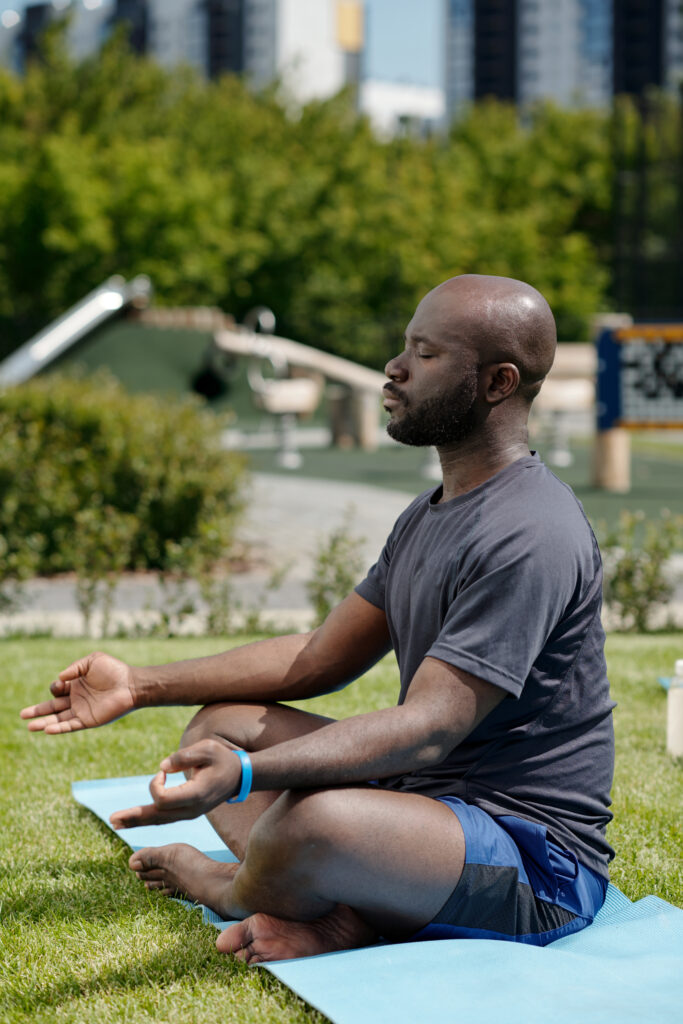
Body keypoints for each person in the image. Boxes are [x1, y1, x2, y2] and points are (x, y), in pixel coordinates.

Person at [21, 274, 615, 965]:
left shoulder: (529, 531)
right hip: (424, 809)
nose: (392, 370)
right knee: (225, 723)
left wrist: (248, 776)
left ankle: (233, 887)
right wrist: (140, 685)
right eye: (403, 347)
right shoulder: (431, 514)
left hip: (534, 865)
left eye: (423, 355)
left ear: (495, 382)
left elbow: (428, 728)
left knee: (314, 818)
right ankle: (340, 908)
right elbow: (318, 659)